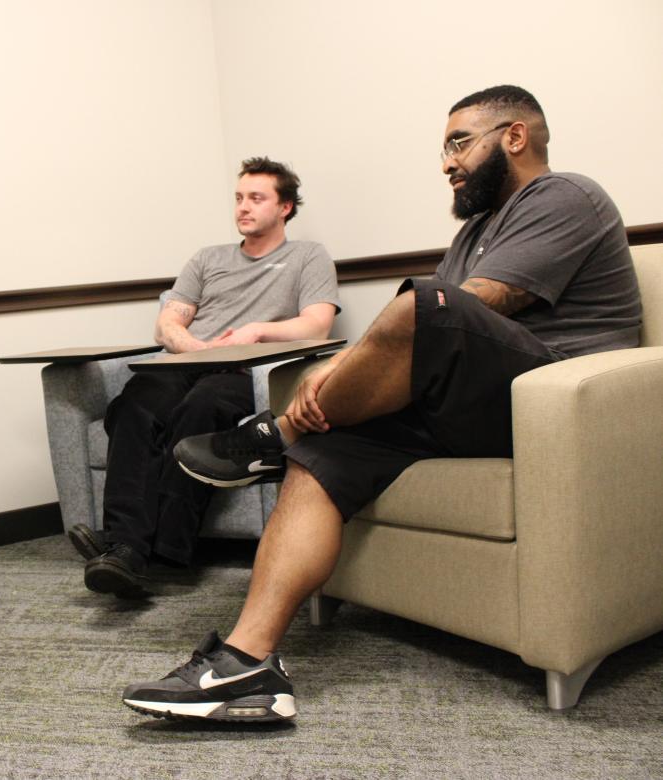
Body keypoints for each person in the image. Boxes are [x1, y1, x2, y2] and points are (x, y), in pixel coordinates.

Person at [123, 85, 642, 723]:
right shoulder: (477, 229)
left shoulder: (567, 196)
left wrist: (348, 359)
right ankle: (247, 665)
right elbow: (422, 331)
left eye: (459, 143)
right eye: (443, 148)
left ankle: (269, 435)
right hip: (470, 401)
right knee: (320, 457)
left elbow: (471, 304)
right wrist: (345, 367)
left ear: (514, 137)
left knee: (429, 302)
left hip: (555, 404)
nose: (447, 163)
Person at [70, 158, 340, 598]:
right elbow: (168, 323)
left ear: (285, 207)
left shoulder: (307, 257)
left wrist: (257, 331)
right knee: (132, 405)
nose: (243, 207)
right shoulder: (207, 258)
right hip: (188, 359)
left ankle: (148, 550)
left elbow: (317, 325)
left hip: (244, 369)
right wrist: (195, 348)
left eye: (257, 198)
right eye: (239, 198)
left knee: (201, 409)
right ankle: (127, 548)